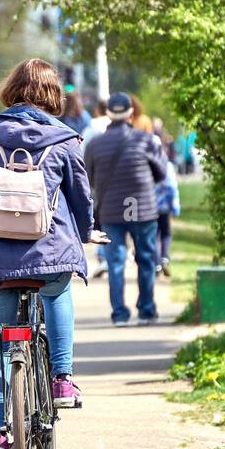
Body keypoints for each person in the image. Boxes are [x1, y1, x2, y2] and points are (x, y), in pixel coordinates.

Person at [0, 58, 106, 449]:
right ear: (54, 94)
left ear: (10, 89)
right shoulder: (66, 139)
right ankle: (61, 377)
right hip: (49, 255)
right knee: (56, 291)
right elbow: (80, 199)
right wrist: (88, 231)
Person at [84, 91, 167, 326]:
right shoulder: (147, 140)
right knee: (146, 260)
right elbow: (160, 174)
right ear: (131, 112)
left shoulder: (95, 144)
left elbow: (89, 179)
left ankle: (119, 314)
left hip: (111, 211)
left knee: (116, 263)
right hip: (143, 209)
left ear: (107, 113)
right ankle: (147, 310)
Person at [155, 164, 180, 277]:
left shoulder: (145, 162)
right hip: (164, 208)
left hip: (150, 207)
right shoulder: (167, 165)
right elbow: (172, 187)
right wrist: (175, 208)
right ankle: (164, 258)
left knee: (154, 236)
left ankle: (156, 263)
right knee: (166, 234)